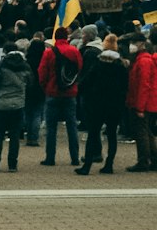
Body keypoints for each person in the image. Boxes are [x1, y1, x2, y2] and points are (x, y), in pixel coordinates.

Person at [77, 34, 129, 175]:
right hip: (114, 105)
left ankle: (87, 166)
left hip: (97, 103)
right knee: (111, 135)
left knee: (93, 133)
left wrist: (82, 91)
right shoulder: (121, 65)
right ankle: (109, 165)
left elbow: (87, 81)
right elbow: (125, 86)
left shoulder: (98, 63)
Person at [38, 27, 82, 167]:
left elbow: (42, 72)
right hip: (70, 92)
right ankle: (74, 157)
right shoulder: (75, 51)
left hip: (53, 92)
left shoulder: (49, 53)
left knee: (51, 128)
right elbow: (79, 68)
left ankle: (50, 157)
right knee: (72, 126)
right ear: (67, 37)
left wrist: (46, 87)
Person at [0, 44, 31, 172]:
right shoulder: (25, 66)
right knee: (15, 135)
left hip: (1, 103)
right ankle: (12, 164)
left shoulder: (1, 65)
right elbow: (31, 82)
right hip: (18, 104)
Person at [126, 33, 157, 172]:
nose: (131, 45)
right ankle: (154, 159)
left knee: (142, 132)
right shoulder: (142, 59)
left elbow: (144, 85)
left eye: (133, 42)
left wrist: (139, 107)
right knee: (147, 131)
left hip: (143, 103)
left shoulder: (143, 61)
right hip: (147, 102)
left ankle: (143, 160)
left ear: (140, 44)